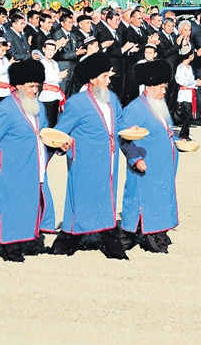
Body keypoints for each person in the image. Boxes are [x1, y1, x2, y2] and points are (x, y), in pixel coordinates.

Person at [0, 59, 65, 262]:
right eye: (30, 86)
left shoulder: (39, 107)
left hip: (33, 165)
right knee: (12, 206)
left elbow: (43, 134)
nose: (35, 90)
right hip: (10, 166)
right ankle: (9, 247)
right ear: (18, 85)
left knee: (31, 204)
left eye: (37, 86)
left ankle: (26, 242)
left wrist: (57, 145)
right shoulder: (5, 109)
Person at [50, 52, 140, 259]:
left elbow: (121, 124)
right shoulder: (77, 103)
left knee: (106, 200)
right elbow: (60, 132)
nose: (109, 81)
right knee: (81, 203)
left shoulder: (113, 100)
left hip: (109, 161)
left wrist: (131, 131)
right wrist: (59, 147)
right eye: (105, 77)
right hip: (84, 163)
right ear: (92, 79)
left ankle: (110, 243)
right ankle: (66, 243)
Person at [119, 61, 182, 252]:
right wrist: (136, 160)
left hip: (162, 166)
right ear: (149, 86)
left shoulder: (159, 105)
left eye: (165, 87)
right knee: (144, 201)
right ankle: (152, 236)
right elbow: (124, 138)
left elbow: (165, 130)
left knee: (161, 199)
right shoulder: (135, 109)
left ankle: (156, 231)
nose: (165, 91)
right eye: (162, 87)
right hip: (146, 165)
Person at [37, 39, 67, 128]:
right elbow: (44, 78)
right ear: (44, 49)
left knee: (54, 120)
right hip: (46, 95)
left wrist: (60, 77)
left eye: (52, 50)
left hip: (55, 94)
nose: (50, 52)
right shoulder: (41, 62)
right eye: (48, 49)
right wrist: (58, 76)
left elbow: (58, 81)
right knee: (48, 121)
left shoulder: (54, 63)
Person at [174, 48, 201, 141]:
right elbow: (181, 81)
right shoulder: (180, 67)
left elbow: (190, 81)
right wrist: (194, 83)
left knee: (188, 115)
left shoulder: (189, 67)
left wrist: (195, 83)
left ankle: (185, 133)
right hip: (184, 93)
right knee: (186, 114)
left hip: (190, 93)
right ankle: (183, 134)